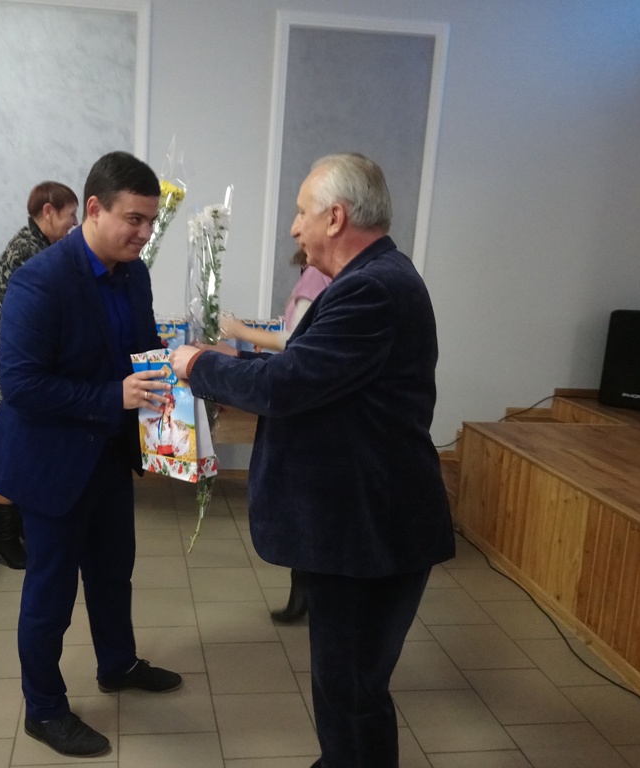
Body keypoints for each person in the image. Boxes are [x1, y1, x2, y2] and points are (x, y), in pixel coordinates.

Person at [170, 153, 454, 768]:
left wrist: (198, 365)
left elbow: (286, 387)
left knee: (351, 691)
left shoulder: (372, 289)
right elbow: (312, 373)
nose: (294, 228)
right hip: (361, 525)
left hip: (367, 531)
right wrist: (237, 360)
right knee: (348, 687)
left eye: (301, 213)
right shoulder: (371, 279)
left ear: (336, 217)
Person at [0, 152, 182, 759]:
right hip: (50, 464)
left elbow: (140, 349)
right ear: (93, 209)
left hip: (108, 456)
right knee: (51, 594)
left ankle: (117, 664)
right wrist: (111, 395)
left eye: (150, 221)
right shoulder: (40, 279)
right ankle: (43, 709)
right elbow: (20, 384)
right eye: (134, 219)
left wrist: (178, 368)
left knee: (113, 573)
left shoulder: (133, 274)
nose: (144, 233)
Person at [0, 181, 79, 569]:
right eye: (70, 215)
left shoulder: (41, 244)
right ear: (48, 212)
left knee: (19, 443)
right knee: (7, 445)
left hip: (11, 355)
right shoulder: (28, 251)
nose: (74, 223)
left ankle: (15, 529)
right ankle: (2, 537)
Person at [219, 249, 332, 622]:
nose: (296, 229)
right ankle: (307, 595)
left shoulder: (316, 280)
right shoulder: (333, 280)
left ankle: (308, 596)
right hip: (318, 416)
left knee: (306, 511)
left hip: (306, 417)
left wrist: (239, 333)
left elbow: (294, 341)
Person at [219, 249, 331, 353]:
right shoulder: (318, 274)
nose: (295, 235)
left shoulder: (315, 274)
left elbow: (294, 340)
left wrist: (237, 329)